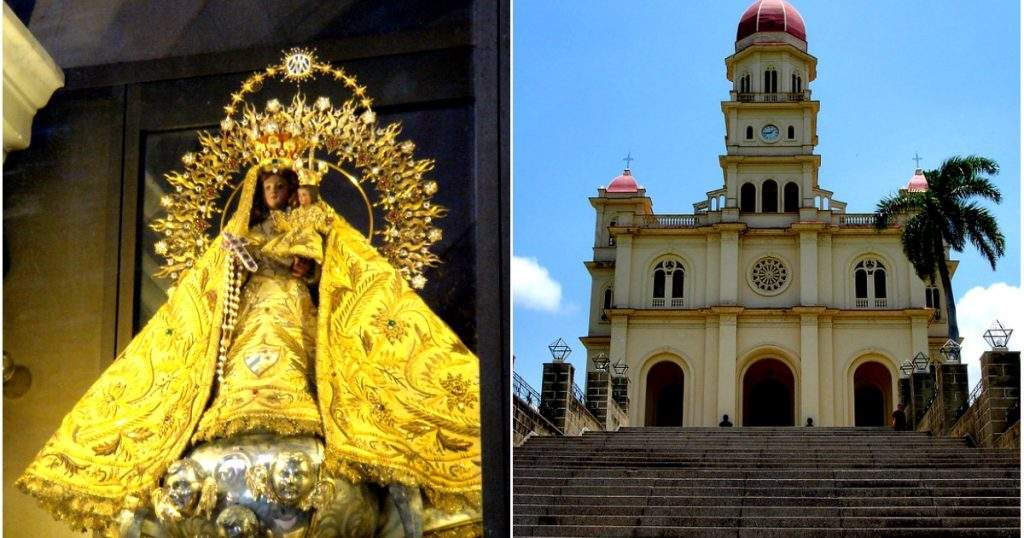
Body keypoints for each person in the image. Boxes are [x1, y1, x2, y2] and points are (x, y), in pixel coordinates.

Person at [17, 160, 482, 536]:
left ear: (295, 187)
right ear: (257, 190)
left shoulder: (307, 222)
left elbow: (314, 266)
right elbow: (223, 283)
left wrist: (288, 258)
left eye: (282, 185)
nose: (275, 192)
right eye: (269, 186)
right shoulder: (249, 230)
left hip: (292, 309)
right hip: (251, 315)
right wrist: (238, 258)